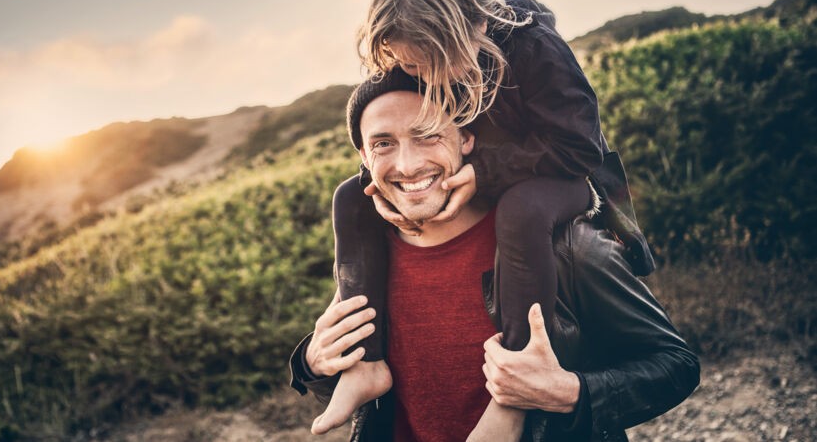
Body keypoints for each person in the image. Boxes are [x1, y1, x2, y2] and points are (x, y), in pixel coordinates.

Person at [317, 0, 656, 436]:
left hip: (565, 175)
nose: (424, 78)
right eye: (411, 67)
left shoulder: (534, 46)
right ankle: (364, 365)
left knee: (521, 211)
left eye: (435, 62)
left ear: (475, 26)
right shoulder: (410, 43)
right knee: (351, 196)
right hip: (488, 164)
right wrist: (382, 177)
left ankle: (515, 383)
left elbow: (579, 146)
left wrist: (486, 172)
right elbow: (392, 122)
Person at [289, 81, 699, 441]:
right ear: (364, 155)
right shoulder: (369, 253)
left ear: (466, 137)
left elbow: (675, 366)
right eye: (383, 143)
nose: (408, 165)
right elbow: (372, 392)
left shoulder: (564, 246)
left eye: (428, 135)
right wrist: (315, 363)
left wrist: (568, 393)